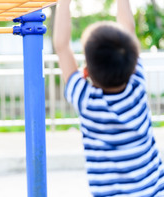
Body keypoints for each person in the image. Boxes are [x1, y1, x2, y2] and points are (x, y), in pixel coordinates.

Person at [54, 0, 164, 196]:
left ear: (85, 72)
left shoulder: (87, 102)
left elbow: (62, 46)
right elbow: (128, 27)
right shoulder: (137, 86)